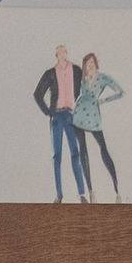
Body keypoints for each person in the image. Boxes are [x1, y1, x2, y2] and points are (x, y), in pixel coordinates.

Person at [31, 45, 88, 201]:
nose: (63, 54)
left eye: (64, 51)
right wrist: (48, 112)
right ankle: (59, 195)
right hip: (56, 116)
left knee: (75, 153)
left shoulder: (76, 70)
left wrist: (78, 104)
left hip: (70, 115)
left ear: (66, 53)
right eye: (60, 52)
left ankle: (82, 193)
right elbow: (37, 94)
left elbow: (85, 86)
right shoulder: (50, 74)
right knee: (57, 156)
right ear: (56, 55)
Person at [66, 50, 124, 199]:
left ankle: (117, 189)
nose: (90, 66)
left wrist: (104, 100)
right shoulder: (83, 79)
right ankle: (91, 190)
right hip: (78, 116)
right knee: (83, 151)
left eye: (92, 63)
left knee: (103, 149)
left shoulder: (103, 78)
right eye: (87, 64)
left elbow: (120, 92)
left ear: (95, 63)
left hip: (93, 117)